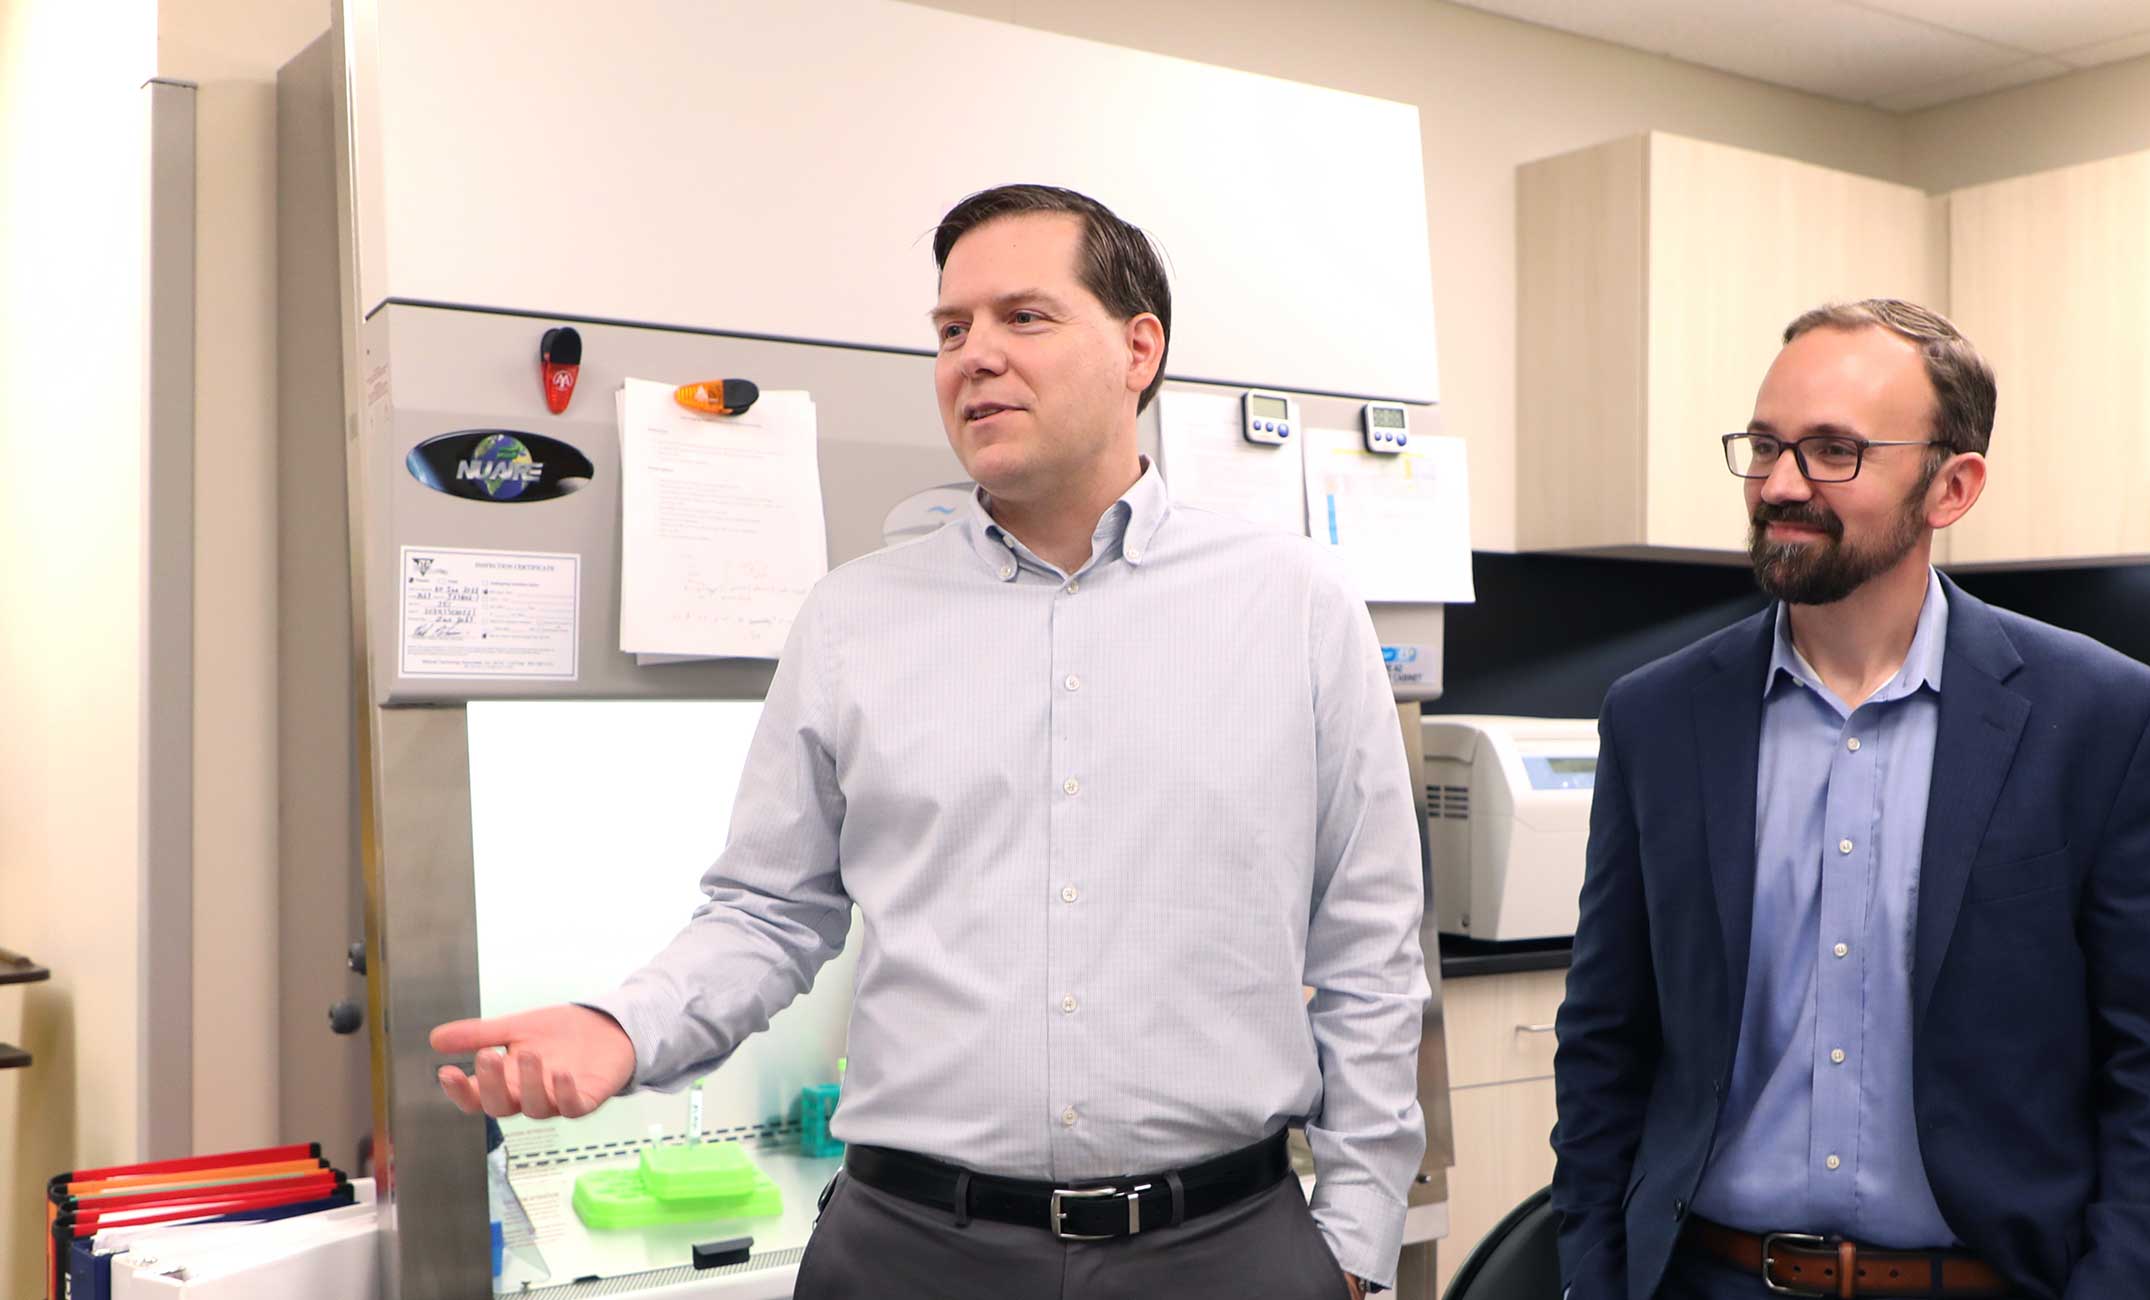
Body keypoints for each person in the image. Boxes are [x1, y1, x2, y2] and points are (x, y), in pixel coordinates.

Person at [429, 184, 1425, 1300]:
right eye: (951, 331)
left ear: (1138, 347)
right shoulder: (856, 619)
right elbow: (770, 907)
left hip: (1221, 1246)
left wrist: (1353, 1242)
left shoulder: (1292, 603)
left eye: (1023, 318)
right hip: (913, 1251)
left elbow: (1368, 948)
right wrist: (623, 1025)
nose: (975, 357)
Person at [1549, 300, 2150, 1300]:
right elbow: (1605, 1040)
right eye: (1767, 446)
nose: (1782, 483)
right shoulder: (1658, 719)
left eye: (1833, 451)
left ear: (1951, 486)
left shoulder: (2100, 718)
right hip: (1713, 1279)